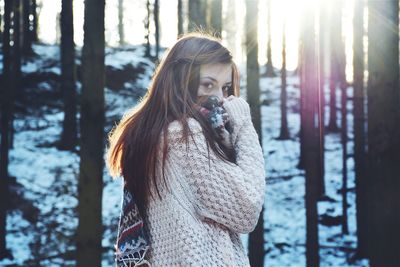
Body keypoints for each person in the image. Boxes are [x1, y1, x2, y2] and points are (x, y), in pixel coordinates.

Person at [106, 32, 266, 266]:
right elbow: (247, 209)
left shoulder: (156, 135)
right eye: (208, 85)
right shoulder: (184, 136)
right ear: (181, 81)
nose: (220, 99)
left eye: (226, 88)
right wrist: (244, 127)